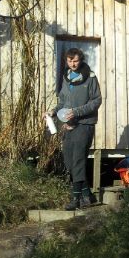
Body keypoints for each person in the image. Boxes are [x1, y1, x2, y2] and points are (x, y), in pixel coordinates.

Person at [46, 48, 102, 210]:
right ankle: (88, 195)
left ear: (81, 60)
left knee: (78, 159)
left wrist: (76, 112)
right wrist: (53, 112)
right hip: (68, 125)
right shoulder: (66, 77)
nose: (73, 64)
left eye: (75, 61)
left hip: (84, 124)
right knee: (69, 161)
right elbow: (63, 102)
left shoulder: (90, 78)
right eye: (70, 61)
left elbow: (96, 101)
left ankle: (75, 199)